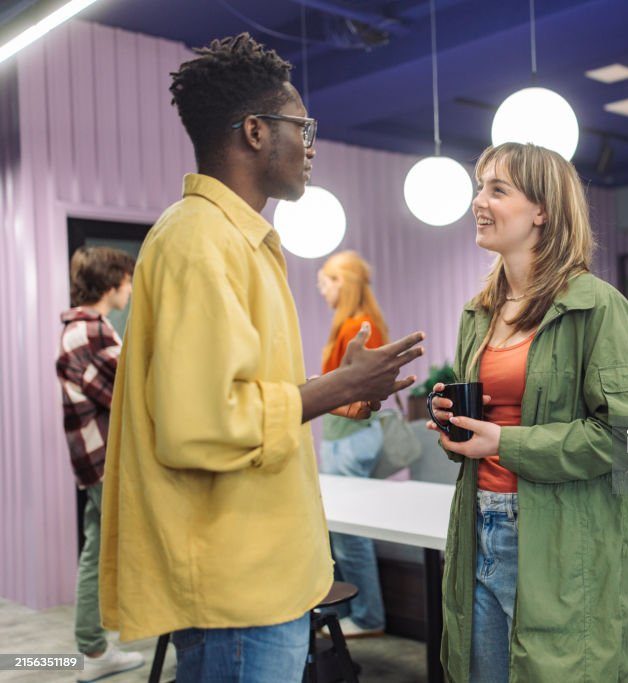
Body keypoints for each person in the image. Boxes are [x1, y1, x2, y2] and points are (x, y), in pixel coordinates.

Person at [99, 33, 425, 683]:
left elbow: (238, 394)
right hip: (238, 586)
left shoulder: (234, 238)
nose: (310, 145)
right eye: (303, 127)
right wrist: (337, 387)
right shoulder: (200, 240)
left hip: (258, 574)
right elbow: (202, 423)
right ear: (255, 131)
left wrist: (336, 386)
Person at [427, 142, 628, 683]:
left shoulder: (597, 305)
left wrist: (503, 443)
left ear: (542, 209)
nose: (478, 201)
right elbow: (492, 418)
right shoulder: (478, 313)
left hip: (558, 537)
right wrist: (453, 425)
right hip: (477, 525)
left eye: (498, 189)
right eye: (479, 187)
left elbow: (619, 439)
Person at [55, 246, 144, 683]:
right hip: (105, 460)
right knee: (104, 551)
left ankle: (93, 647)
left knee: (96, 549)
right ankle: (93, 649)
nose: (130, 288)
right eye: (127, 280)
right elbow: (129, 393)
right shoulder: (91, 331)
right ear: (111, 283)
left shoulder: (84, 328)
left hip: (95, 459)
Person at [317, 250, 388, 637]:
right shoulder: (356, 324)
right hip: (344, 437)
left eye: (325, 284)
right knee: (342, 532)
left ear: (341, 283)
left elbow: (357, 390)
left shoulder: (357, 326)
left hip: (349, 437)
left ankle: (367, 617)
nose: (322, 291)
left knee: (349, 534)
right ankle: (352, 613)